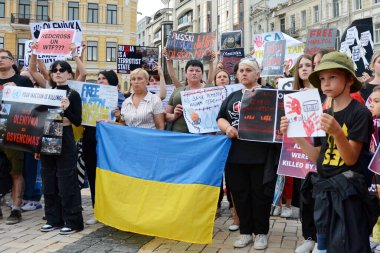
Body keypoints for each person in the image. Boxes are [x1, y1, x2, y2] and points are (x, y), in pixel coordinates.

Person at [280, 52, 373, 252]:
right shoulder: (323, 113)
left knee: (350, 245)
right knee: (324, 246)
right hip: (324, 193)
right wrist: (294, 135)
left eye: (332, 77)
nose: (326, 83)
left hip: (349, 196)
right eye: (322, 78)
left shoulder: (360, 113)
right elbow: (317, 156)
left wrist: (338, 132)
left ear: (349, 80)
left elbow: (350, 158)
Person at [217, 58, 279, 249]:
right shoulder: (232, 96)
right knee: (240, 195)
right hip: (235, 156)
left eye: (249, 70)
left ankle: (261, 233)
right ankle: (245, 232)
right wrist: (227, 128)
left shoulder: (270, 94)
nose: (244, 73)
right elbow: (220, 117)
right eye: (241, 70)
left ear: (258, 74)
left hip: (261, 156)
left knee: (260, 195)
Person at [36, 60, 84, 235]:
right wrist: (37, 146)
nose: (58, 72)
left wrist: (67, 108)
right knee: (48, 180)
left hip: (65, 136)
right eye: (54, 70)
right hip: (48, 136)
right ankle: (53, 219)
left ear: (69, 74)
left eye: (62, 70)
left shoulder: (73, 94)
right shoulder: (47, 93)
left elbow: (78, 121)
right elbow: (40, 119)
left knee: (66, 181)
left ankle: (73, 221)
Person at [82, 70, 122, 225]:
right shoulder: (90, 98)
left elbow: (123, 122)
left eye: (103, 79)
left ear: (111, 80)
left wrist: (118, 115)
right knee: (93, 176)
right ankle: (97, 210)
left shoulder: (119, 98)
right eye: (98, 79)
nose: (100, 81)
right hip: (91, 139)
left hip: (110, 142)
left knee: (109, 176)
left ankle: (113, 211)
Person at [0, 49, 34, 224]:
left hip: (14, 129)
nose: (0, 60)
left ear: (12, 61)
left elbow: (35, 105)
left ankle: (15, 209)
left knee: (16, 171)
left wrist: (17, 90)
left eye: (4, 57)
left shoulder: (22, 81)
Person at [166, 60, 212, 133]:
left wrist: (212, 61)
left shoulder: (209, 91)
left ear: (202, 74)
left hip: (202, 135)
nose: (194, 73)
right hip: (178, 134)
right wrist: (174, 115)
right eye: (191, 70)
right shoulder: (177, 91)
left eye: (197, 71)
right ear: (185, 74)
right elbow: (165, 115)